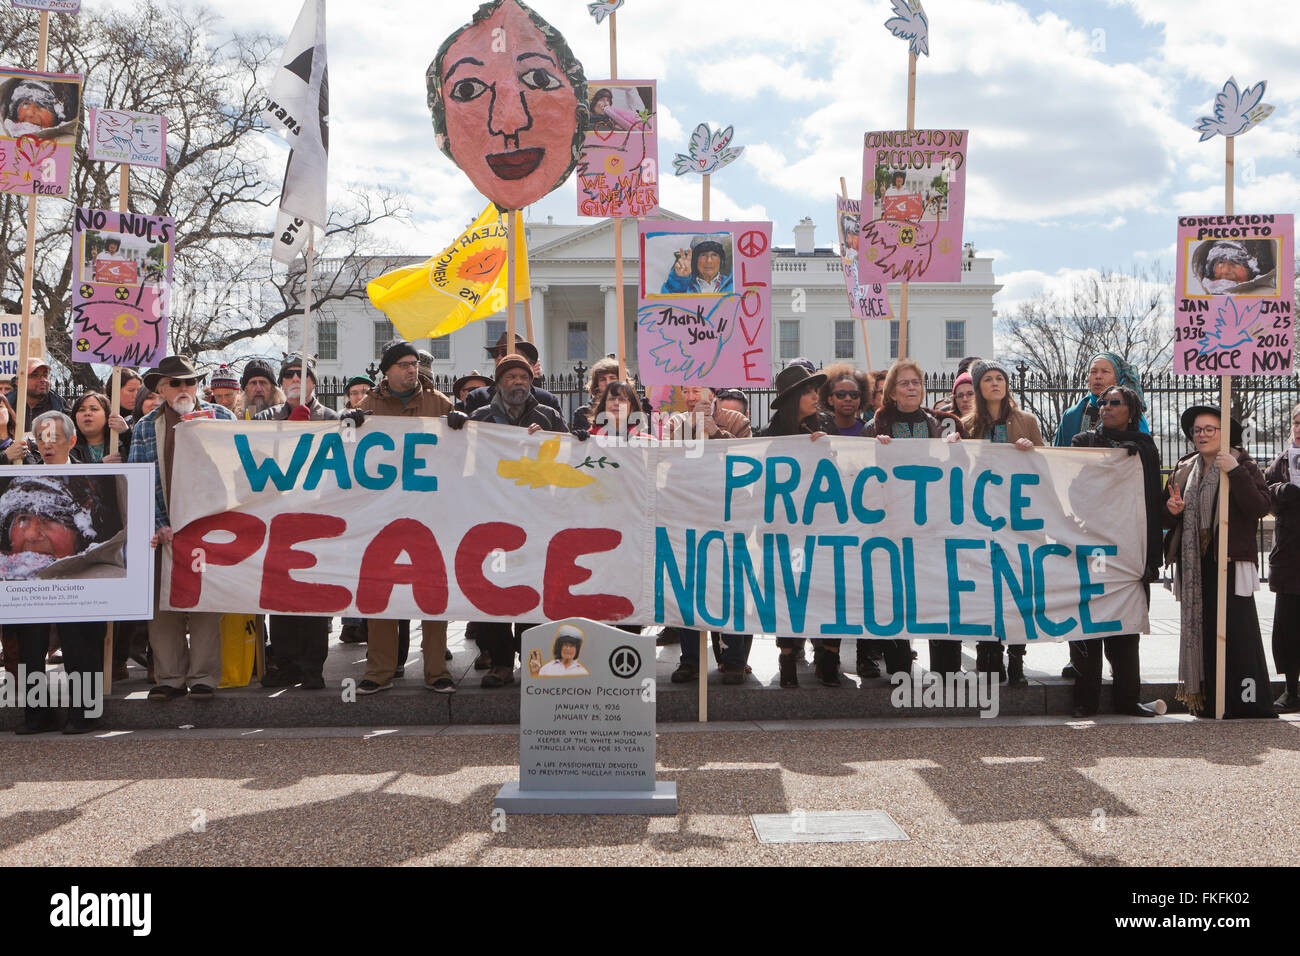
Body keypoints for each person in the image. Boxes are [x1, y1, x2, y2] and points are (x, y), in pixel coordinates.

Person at [452, 353, 573, 688]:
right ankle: (501, 662)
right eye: (511, 377)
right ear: (499, 383)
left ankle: (532, 659)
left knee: (532, 591)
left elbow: (567, 461)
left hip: (536, 519)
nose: (519, 382)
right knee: (496, 591)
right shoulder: (480, 417)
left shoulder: (547, 415)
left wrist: (550, 438)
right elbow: (464, 463)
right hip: (492, 519)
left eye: (524, 377)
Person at [349, 341, 457, 695]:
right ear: (388, 371)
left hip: (430, 512)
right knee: (380, 590)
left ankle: (436, 670)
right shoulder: (369, 405)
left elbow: (463, 451)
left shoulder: (438, 403)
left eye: (414, 364)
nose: (412, 370)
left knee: (432, 589)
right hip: (383, 514)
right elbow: (349, 454)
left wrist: (461, 424)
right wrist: (349, 427)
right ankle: (378, 671)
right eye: (404, 365)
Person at [126, 356, 236, 702]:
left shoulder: (222, 419)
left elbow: (239, 475)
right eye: (175, 384)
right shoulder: (146, 426)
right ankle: (169, 677)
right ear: (160, 389)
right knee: (162, 607)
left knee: (205, 604)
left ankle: (203, 677)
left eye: (189, 382)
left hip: (209, 527)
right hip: (164, 530)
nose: (184, 389)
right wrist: (158, 524)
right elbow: (139, 480)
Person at [1163, 405, 1276, 719]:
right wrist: (1172, 510)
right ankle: (1211, 701)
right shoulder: (1185, 467)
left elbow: (1259, 506)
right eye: (1198, 430)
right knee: (1203, 630)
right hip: (1195, 566)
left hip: (1230, 560)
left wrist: (1235, 472)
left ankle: (1246, 701)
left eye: (1210, 429)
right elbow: (1167, 512)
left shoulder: (1243, 464)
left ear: (1224, 434)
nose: (1202, 435)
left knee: (1238, 632)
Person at [865, 359, 963, 678]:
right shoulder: (875, 428)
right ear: (891, 392)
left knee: (939, 593)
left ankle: (946, 669)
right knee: (897, 594)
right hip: (892, 525)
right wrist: (876, 452)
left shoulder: (941, 425)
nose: (911, 388)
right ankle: (899, 671)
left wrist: (954, 450)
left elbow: (959, 469)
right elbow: (861, 474)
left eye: (916, 383)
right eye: (904, 383)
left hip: (934, 525)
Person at [1068, 386, 1161, 717]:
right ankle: (1085, 700)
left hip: (1130, 549)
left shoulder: (1146, 448)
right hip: (1092, 546)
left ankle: (1127, 698)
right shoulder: (1084, 443)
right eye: (1102, 402)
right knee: (1087, 626)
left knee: (1125, 629)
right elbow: (1074, 490)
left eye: (1114, 402)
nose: (1105, 407)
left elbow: (1152, 499)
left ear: (1131, 410)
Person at [251, 356, 340, 690]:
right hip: (278, 518)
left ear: (313, 382)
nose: (293, 379)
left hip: (318, 518)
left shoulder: (331, 418)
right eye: (287, 375)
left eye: (301, 374)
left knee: (314, 594)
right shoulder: (264, 419)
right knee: (281, 593)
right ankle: (285, 661)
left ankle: (312, 665)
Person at [2, 472, 112, 734]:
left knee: (79, 642)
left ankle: (85, 714)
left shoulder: (88, 474)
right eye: (23, 518)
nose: (32, 534)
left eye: (51, 520)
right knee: (30, 646)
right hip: (27, 599)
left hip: (78, 591)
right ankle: (37, 715)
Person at [961, 359, 1042, 685]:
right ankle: (989, 657)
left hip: (1017, 519)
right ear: (979, 387)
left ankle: (1017, 660)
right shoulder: (966, 424)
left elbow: (1045, 468)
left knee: (1017, 590)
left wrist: (1030, 451)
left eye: (1000, 378)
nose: (995, 383)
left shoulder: (1027, 421)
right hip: (981, 521)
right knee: (985, 591)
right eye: (988, 379)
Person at [760, 363, 837, 687]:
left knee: (827, 589)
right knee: (789, 592)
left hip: (822, 530)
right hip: (785, 533)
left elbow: (838, 480)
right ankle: (788, 655)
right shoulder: (768, 437)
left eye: (815, 389)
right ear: (793, 398)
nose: (815, 396)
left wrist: (828, 449)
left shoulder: (826, 429)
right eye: (807, 391)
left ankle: (828, 656)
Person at [1265, 404, 1300, 713]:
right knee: (1288, 626)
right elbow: (1265, 494)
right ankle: (1291, 688)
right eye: (1298, 422)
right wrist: (1284, 490)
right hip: (1289, 556)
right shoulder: (1282, 461)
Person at [1054, 352, 1148, 445]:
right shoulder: (1070, 416)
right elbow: (1058, 456)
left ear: (1117, 379)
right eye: (1093, 372)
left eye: (1105, 371)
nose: (1098, 376)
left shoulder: (1132, 415)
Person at [461, 332, 561, 414]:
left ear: (524, 359)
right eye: (495, 354)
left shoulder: (547, 401)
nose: (499, 357)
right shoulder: (478, 398)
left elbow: (561, 436)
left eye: (505, 352)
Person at [70, 391, 129, 463]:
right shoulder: (67, 447)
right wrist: (102, 466)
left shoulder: (120, 444)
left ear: (107, 415)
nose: (87, 413)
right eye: (82, 410)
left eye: (94, 409)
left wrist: (126, 434)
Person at [661, 237, 732, 295]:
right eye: (703, 255)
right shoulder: (683, 285)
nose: (709, 260)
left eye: (714, 255)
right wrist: (679, 280)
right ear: (695, 260)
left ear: (721, 260)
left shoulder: (731, 284)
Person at [818, 364, 872, 436]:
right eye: (841, 394)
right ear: (830, 400)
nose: (848, 399)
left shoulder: (870, 431)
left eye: (854, 394)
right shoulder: (820, 430)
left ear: (860, 398)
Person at [573, 357, 619, 432]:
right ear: (596, 384)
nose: (608, 383)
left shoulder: (630, 408)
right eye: (603, 379)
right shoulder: (583, 413)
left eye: (612, 378)